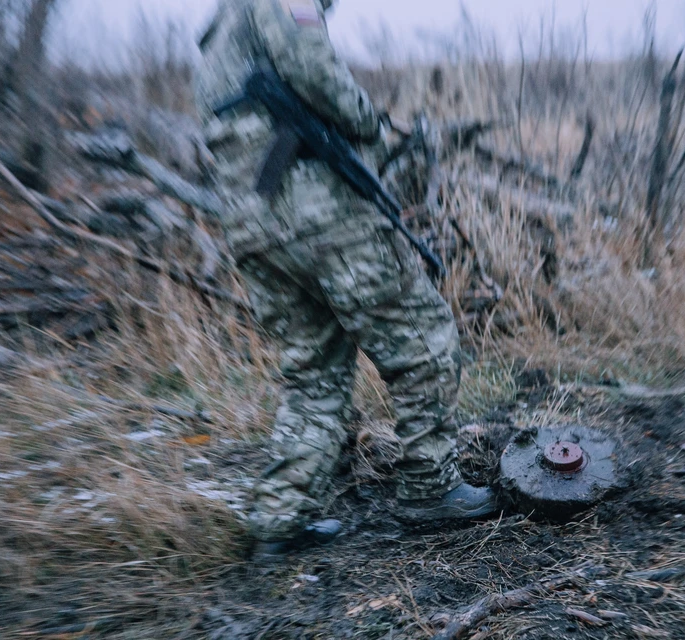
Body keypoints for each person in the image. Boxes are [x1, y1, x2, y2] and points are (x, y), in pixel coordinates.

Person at [195, 0, 497, 559]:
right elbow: (312, 70)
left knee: (313, 367)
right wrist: (369, 121)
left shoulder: (219, 28)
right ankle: (430, 487)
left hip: (247, 216)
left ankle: (279, 519)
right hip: (311, 203)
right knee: (422, 335)